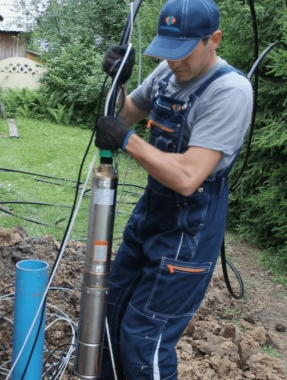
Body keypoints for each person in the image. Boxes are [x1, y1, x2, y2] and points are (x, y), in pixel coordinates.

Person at [95, 0, 253, 379]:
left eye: (183, 51)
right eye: (167, 51)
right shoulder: (167, 73)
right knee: (111, 313)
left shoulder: (229, 91)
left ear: (213, 39)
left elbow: (187, 177)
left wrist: (128, 141)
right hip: (152, 211)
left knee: (144, 338)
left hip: (191, 227)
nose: (174, 62)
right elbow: (126, 114)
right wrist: (121, 81)